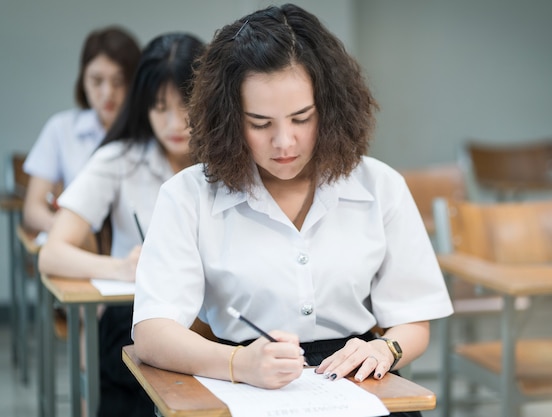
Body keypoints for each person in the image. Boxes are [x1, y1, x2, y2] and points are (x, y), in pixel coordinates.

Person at [132, 4, 453, 416]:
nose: (284, 142)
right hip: (242, 382)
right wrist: (238, 363)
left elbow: (413, 320)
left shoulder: (380, 186)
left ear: (331, 108)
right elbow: (152, 334)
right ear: (229, 120)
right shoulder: (188, 195)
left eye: (301, 118)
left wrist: (386, 347)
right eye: (260, 123)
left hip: (356, 383)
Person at [38, 32, 205, 417]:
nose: (173, 122)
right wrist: (121, 267)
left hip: (213, 323)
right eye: (158, 107)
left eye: (186, 106)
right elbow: (52, 253)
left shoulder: (230, 162)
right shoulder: (119, 159)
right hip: (136, 320)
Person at [23, 26, 141, 234]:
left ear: (135, 84)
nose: (107, 93)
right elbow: (33, 208)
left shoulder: (148, 135)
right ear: (83, 80)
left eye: (119, 81)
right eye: (97, 81)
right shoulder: (61, 129)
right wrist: (67, 232)